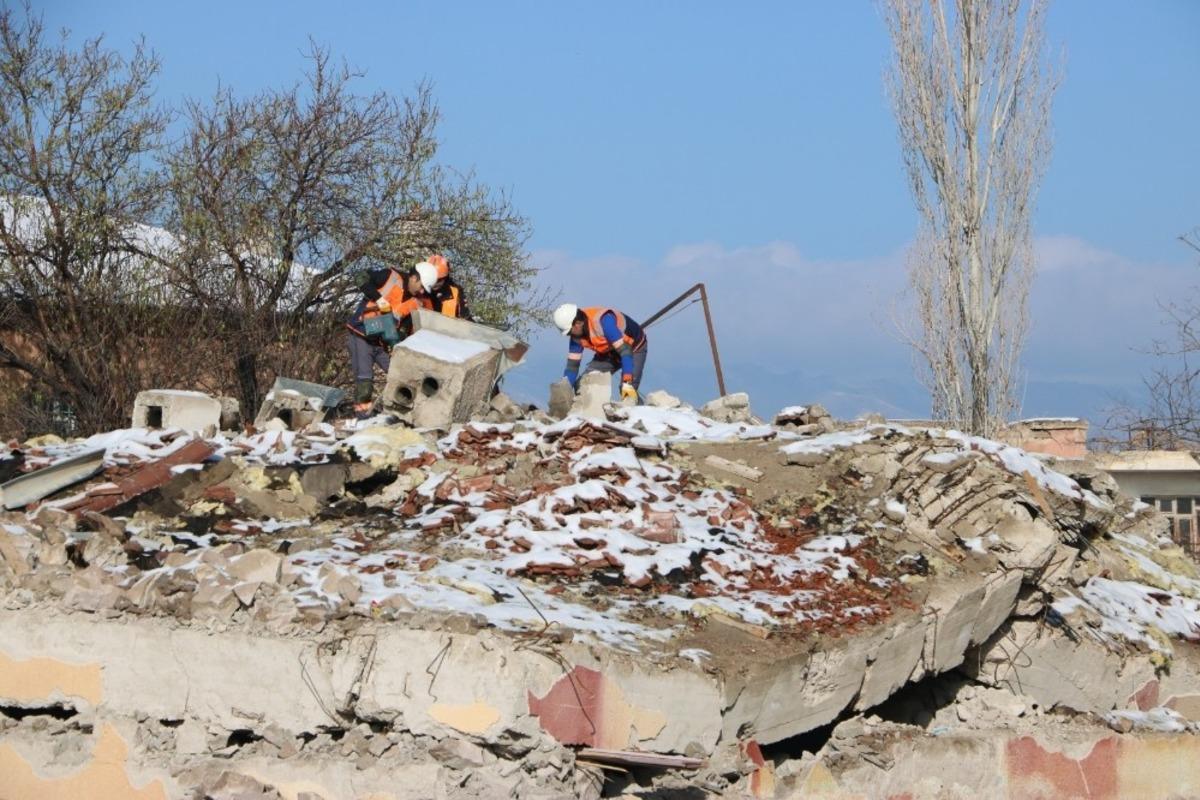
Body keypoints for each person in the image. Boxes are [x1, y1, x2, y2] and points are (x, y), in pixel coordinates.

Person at [346, 264, 434, 418]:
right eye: (421, 287)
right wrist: (378, 298)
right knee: (365, 381)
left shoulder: (414, 302)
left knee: (400, 374)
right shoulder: (389, 277)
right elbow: (360, 277)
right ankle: (361, 418)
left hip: (381, 343)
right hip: (360, 334)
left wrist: (397, 343)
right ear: (414, 277)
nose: (421, 292)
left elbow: (404, 329)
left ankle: (397, 414)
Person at [552, 303, 648, 402]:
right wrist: (564, 390)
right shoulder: (576, 336)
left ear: (578, 323)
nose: (569, 335)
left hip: (634, 348)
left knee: (627, 391)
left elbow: (625, 351)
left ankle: (643, 414)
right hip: (609, 352)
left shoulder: (604, 322)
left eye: (569, 332)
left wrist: (627, 381)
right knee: (582, 386)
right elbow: (572, 367)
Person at [419, 254, 472, 320]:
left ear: (445, 277)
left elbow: (466, 319)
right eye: (432, 279)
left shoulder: (456, 292)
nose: (435, 283)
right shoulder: (419, 290)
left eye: (439, 280)